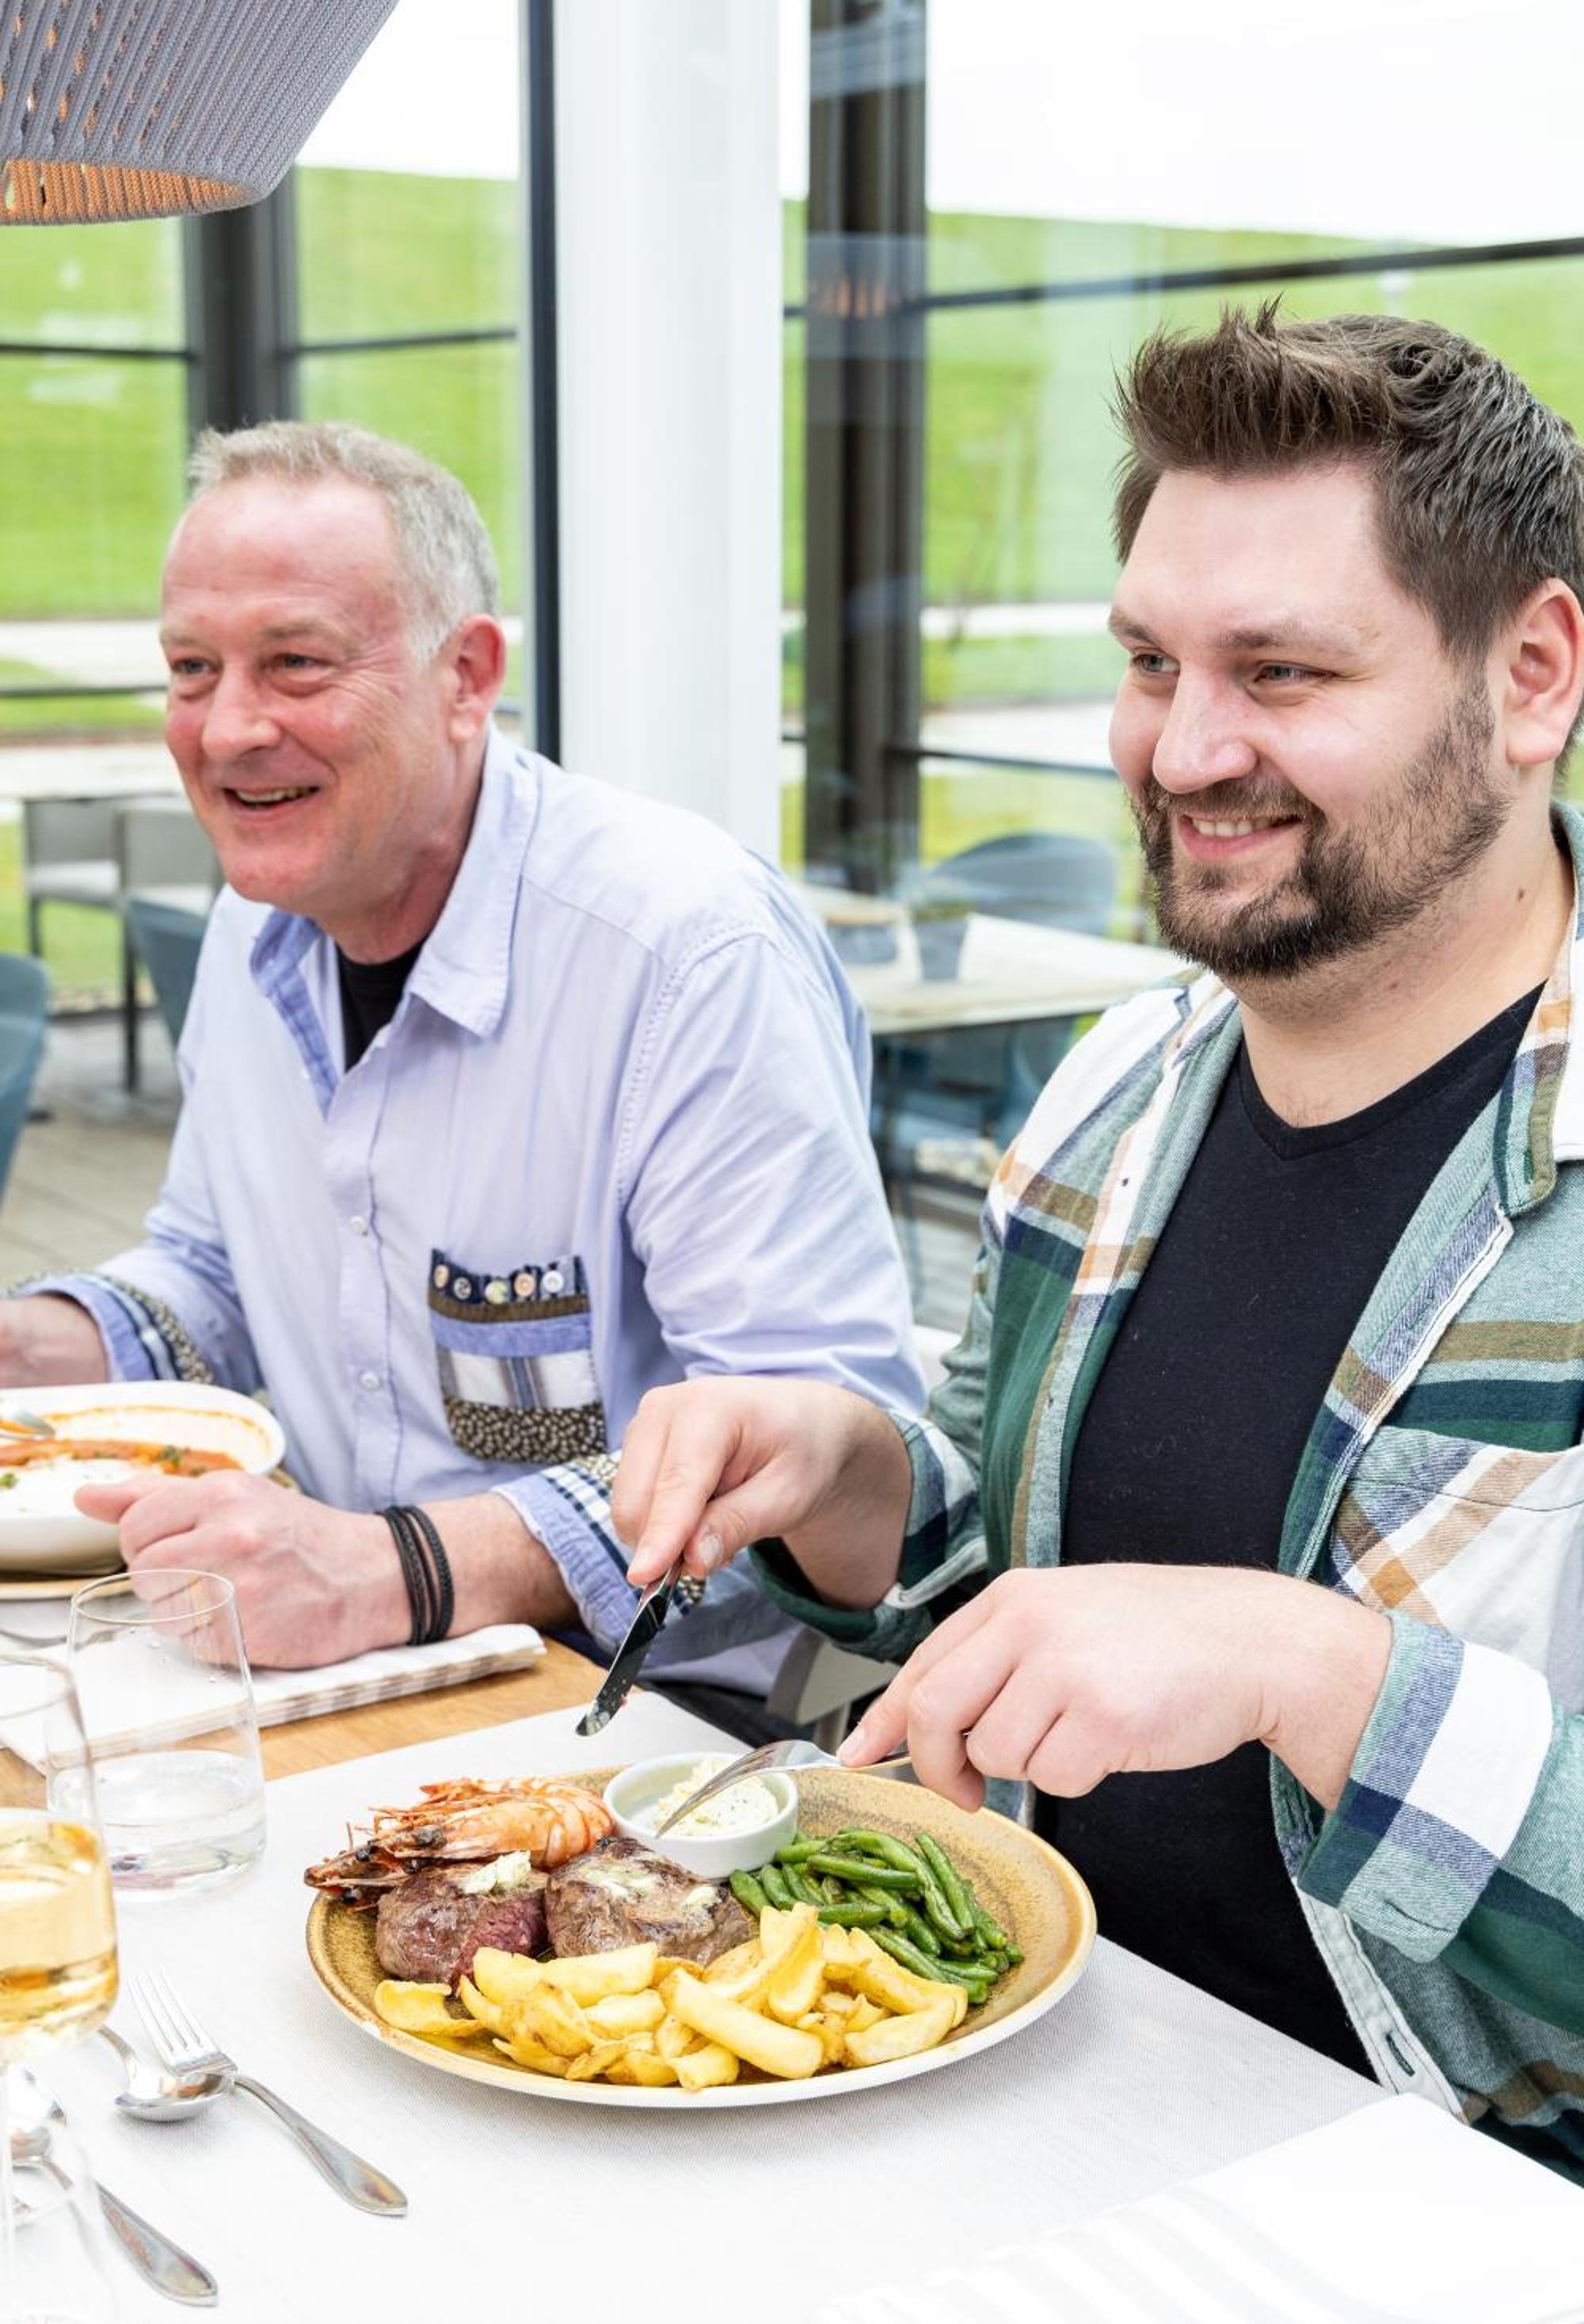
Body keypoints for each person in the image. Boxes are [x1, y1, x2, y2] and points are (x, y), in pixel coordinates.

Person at [611, 307, 1584, 2175]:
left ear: (1531, 675)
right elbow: (998, 1595)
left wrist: (1314, 1674)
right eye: (1148, 661)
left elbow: (1242, 1661)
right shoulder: (1114, 1086)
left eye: (1280, 670)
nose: (1183, 749)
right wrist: (843, 1474)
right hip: (1039, 2097)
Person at [1, 420, 922, 1709]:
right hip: (350, 1668)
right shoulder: (252, 932)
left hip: (656, 1714)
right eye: (192, 669)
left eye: (296, 663)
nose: (228, 729)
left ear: (467, 676)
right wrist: (26, 1351)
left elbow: (815, 1445)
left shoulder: (685, 948)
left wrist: (392, 1572)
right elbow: (216, 1273)